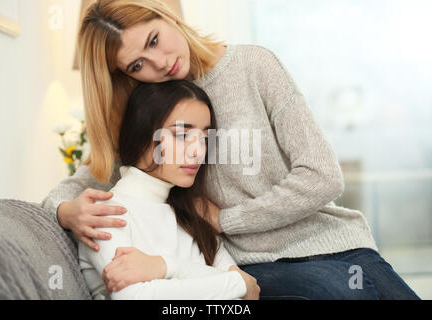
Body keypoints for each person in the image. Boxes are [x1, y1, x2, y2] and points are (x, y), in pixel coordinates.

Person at [42, 0, 420, 299]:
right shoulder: (147, 113)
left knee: (370, 284)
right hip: (249, 263)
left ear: (167, 15)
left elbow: (323, 176)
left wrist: (227, 220)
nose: (160, 63)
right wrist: (64, 210)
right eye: (138, 63)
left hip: (333, 240)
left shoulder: (254, 65)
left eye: (154, 40)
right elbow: (80, 182)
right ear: (127, 75)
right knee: (341, 290)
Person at [78, 79, 259, 300]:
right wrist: (233, 283)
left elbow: (248, 293)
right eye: (182, 135)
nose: (198, 152)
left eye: (204, 138)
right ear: (140, 134)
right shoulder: (104, 213)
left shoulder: (192, 215)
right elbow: (134, 298)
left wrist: (164, 267)